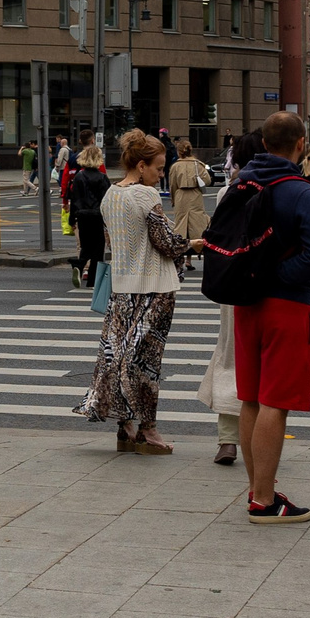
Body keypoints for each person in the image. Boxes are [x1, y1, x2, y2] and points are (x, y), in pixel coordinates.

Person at [200, 112, 310, 519]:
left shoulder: (241, 184)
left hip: (245, 303)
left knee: (251, 399)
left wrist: (255, 277)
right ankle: (264, 500)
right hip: (286, 305)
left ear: (263, 143)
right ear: (301, 144)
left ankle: (258, 490)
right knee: (276, 402)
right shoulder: (300, 191)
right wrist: (279, 276)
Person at [79, 130, 188, 454]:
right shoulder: (145, 195)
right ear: (141, 166)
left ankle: (125, 428)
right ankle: (148, 431)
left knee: (119, 357)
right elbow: (166, 242)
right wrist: (192, 243)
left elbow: (114, 240)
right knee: (146, 363)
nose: (161, 174)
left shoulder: (110, 195)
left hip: (121, 289)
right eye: (158, 167)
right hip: (154, 289)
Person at [67, 140, 110, 288]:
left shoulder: (79, 177)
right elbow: (107, 200)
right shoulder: (102, 177)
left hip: (82, 216)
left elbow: (74, 199)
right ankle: (92, 280)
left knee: (85, 246)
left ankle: (79, 265)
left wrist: (72, 219)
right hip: (97, 216)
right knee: (98, 249)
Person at [167, 138, 213, 248]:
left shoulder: (175, 166)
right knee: (197, 222)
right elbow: (207, 181)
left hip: (181, 196)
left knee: (181, 223)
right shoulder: (198, 165)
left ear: (179, 152)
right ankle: (199, 246)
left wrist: (173, 200)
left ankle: (181, 247)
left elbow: (173, 185)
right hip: (195, 195)